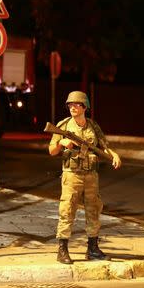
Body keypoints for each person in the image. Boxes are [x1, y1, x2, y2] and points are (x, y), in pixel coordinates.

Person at [48, 90, 121, 264]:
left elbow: (103, 146)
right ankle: (62, 249)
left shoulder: (93, 126)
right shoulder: (63, 126)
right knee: (67, 210)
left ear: (84, 107)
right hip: (72, 175)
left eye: (76, 104)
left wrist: (114, 155)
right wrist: (61, 143)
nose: (72, 107)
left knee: (94, 210)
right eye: (70, 105)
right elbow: (51, 151)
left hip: (91, 176)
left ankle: (93, 248)